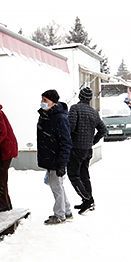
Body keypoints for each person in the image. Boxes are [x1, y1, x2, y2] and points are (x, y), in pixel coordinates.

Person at [66, 87, 107, 215]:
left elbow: (71, 128)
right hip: (87, 149)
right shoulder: (94, 112)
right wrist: (93, 141)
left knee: (73, 175)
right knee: (84, 175)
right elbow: (103, 130)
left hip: (75, 148)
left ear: (80, 97)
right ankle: (89, 200)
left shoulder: (74, 108)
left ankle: (86, 199)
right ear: (90, 99)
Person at [37, 90, 73, 225]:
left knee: (56, 186)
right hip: (49, 156)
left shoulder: (60, 118)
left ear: (53, 102)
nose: (42, 102)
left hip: (56, 158)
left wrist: (62, 163)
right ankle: (66, 210)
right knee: (58, 186)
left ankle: (60, 214)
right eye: (42, 99)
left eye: (45, 100)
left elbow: (65, 142)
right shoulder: (46, 115)